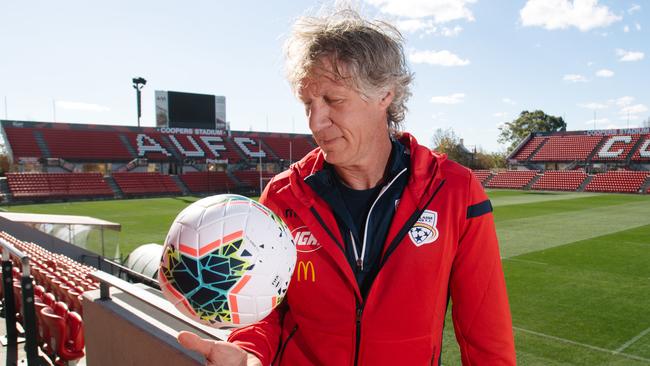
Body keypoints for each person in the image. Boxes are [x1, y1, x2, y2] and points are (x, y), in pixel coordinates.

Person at [179, 9, 516, 366]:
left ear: (385, 94)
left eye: (333, 100)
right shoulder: (282, 196)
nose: (315, 121)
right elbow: (265, 311)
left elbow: (485, 336)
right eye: (308, 104)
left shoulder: (455, 191)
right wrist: (248, 351)